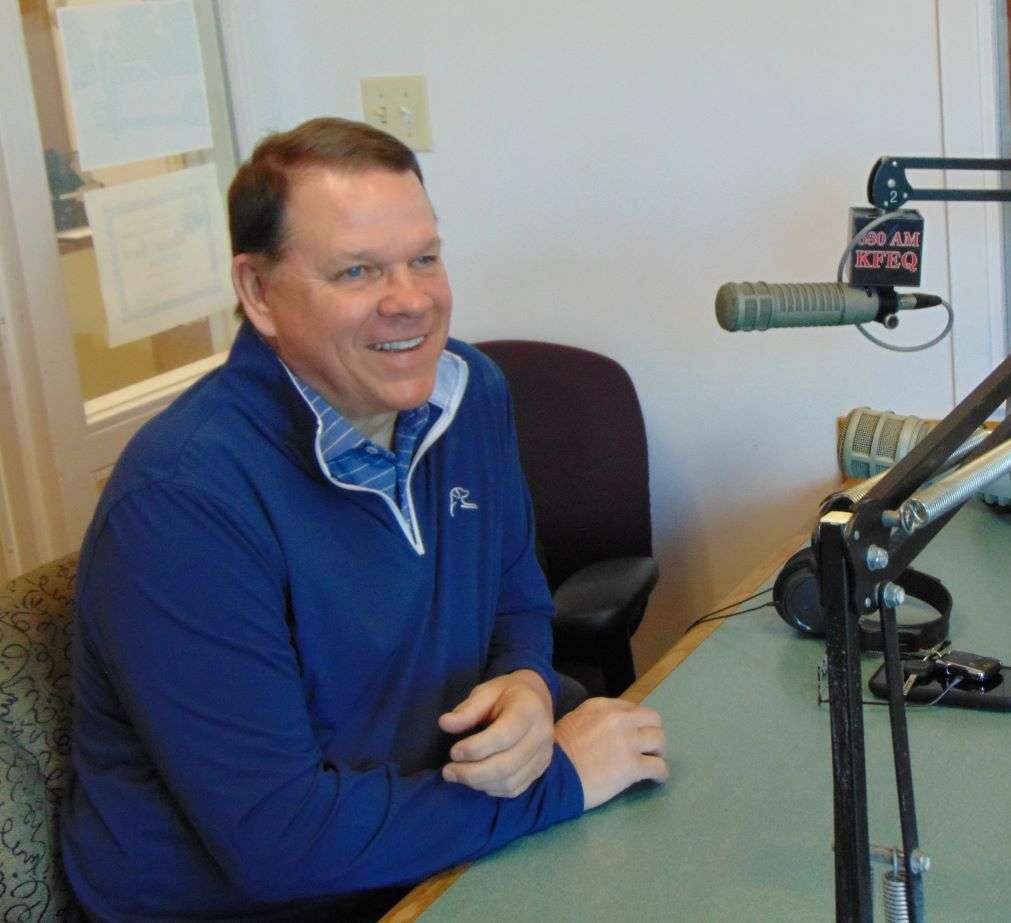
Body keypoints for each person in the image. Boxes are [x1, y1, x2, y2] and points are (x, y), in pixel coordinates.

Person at [61, 117, 668, 922]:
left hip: (420, 859)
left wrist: (522, 683)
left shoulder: (470, 394)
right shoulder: (181, 504)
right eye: (358, 271)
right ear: (257, 292)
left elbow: (515, 599)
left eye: (424, 257)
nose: (411, 301)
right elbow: (281, 841)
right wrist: (559, 779)